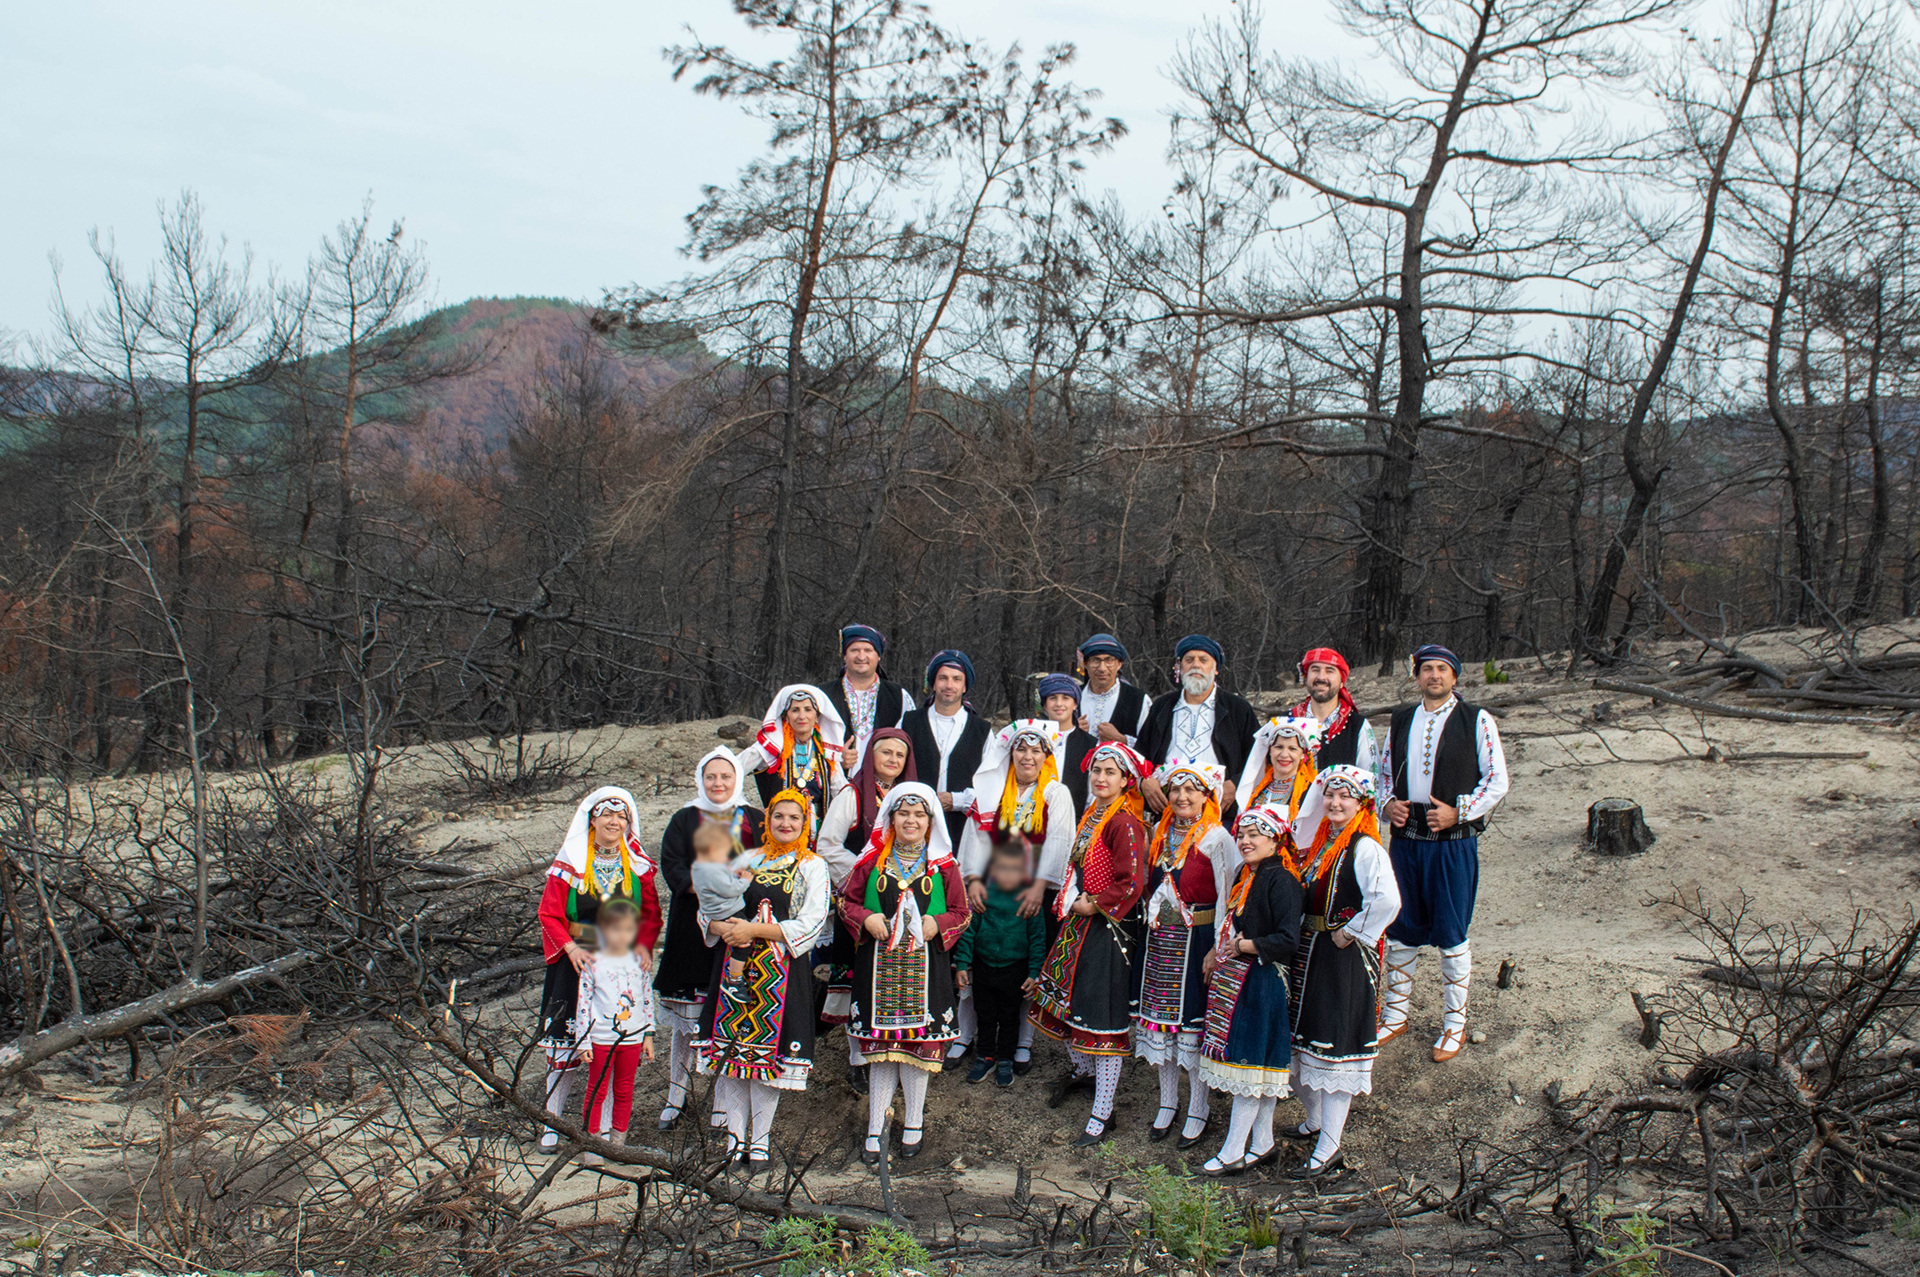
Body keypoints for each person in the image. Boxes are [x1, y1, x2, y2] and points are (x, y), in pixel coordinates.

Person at [1377, 645, 1510, 1063]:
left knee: (1452, 932)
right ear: (1417, 676)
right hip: (1407, 839)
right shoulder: (1400, 720)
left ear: (1455, 677)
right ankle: (1395, 1015)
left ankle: (1455, 1023)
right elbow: (1382, 773)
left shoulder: (1477, 720)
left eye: (1442, 670)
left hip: (1453, 843)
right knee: (1400, 929)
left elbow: (1497, 780)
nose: (1434, 676)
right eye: (1427, 669)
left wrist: (1460, 812)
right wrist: (1387, 805)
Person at [693, 788, 832, 1169]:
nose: (786, 824)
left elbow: (812, 922)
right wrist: (725, 927)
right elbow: (708, 907)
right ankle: (735, 1141)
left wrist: (754, 931)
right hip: (733, 967)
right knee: (734, 1054)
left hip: (780, 973)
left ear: (806, 824)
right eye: (779, 816)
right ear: (767, 820)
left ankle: (760, 1142)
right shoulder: (747, 859)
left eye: (795, 818)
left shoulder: (812, 866)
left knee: (768, 1065)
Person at [840, 783, 971, 1164]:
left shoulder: (945, 867)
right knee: (882, 1051)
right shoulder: (869, 863)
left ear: (931, 822)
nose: (911, 821)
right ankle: (876, 1125)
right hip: (877, 970)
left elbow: (962, 914)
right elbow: (846, 902)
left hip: (925, 973)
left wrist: (935, 923)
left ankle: (913, 1121)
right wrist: (867, 918)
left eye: (919, 814)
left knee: (916, 1051)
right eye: (904, 814)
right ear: (891, 819)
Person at [1030, 742, 1150, 1147]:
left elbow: (1132, 881)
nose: (1101, 778)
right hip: (1079, 924)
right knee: (1065, 1004)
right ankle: (1084, 1076)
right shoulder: (1093, 815)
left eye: (1110, 772)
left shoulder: (1125, 823)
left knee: (1102, 1017)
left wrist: (1094, 904)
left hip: (1107, 928)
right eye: (1096, 770)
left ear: (1126, 780)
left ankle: (1104, 1110)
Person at [1285, 765, 1401, 1179]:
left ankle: (1330, 1147)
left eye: (1345, 797)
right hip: (1310, 954)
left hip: (1341, 958)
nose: (1335, 803)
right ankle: (1317, 1123)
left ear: (1361, 803)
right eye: (1330, 795)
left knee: (1335, 1047)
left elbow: (1387, 899)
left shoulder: (1365, 847)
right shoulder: (1321, 844)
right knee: (1307, 1042)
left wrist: (1351, 932)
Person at [537, 787, 663, 1153]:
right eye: (606, 814)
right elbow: (548, 913)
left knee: (613, 1046)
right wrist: (570, 947)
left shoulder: (637, 865)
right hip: (576, 961)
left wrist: (645, 945)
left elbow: (651, 915)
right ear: (591, 819)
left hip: (620, 967)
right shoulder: (571, 861)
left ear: (629, 823)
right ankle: (552, 1123)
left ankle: (605, 1133)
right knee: (565, 1045)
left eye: (621, 816)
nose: (613, 821)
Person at [653, 749, 764, 1133]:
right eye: (712, 777)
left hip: (740, 927)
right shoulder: (685, 818)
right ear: (701, 779)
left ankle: (721, 1101)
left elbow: (767, 865)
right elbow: (672, 864)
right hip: (693, 927)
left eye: (726, 776)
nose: (718, 784)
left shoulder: (754, 819)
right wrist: (707, 893)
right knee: (686, 1023)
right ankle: (675, 1094)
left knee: (722, 1019)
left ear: (738, 779)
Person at [958, 717, 1075, 1072]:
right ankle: (969, 1035)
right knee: (978, 962)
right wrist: (974, 878)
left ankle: (1020, 1041)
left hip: (1031, 892)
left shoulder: (1056, 793)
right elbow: (975, 836)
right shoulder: (994, 792)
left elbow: (1059, 840)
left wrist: (1040, 887)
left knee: (1023, 967)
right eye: (1020, 748)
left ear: (1046, 756)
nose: (1027, 756)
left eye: (1035, 750)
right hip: (991, 889)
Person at [1194, 805, 1304, 1177]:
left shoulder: (1282, 881)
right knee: (1261, 1067)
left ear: (1276, 839)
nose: (1245, 840)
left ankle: (1232, 1151)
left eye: (1256, 834)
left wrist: (1244, 947)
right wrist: (1222, 949)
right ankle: (1262, 1144)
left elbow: (1289, 939)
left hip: (1263, 980)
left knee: (1251, 1068)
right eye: (1242, 834)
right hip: (1243, 979)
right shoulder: (1248, 874)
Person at [1135, 761, 1240, 1149]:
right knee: (1162, 1026)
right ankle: (1167, 1103)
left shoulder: (1217, 838)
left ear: (1206, 796)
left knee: (1192, 1029)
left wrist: (1217, 947)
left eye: (1191, 791)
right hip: (1161, 943)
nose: (1181, 797)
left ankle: (1198, 1106)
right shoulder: (1161, 835)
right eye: (1176, 790)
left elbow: (1229, 898)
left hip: (1196, 942)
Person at [815, 726, 918, 1091]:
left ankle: (894, 1049)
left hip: (904, 901)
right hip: (862, 901)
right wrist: (868, 871)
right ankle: (857, 1058)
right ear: (871, 756)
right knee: (858, 978)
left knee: (894, 977)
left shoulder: (912, 797)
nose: (892, 759)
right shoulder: (853, 793)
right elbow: (827, 844)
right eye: (885, 752)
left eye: (899, 755)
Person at [955, 838, 1049, 1087]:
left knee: (1009, 1016)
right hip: (985, 966)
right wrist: (962, 964)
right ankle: (985, 1056)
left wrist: (1034, 973)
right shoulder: (983, 896)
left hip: (1014, 969)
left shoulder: (1030, 901)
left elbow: (1038, 940)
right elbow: (968, 932)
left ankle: (1006, 1057)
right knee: (985, 1013)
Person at [572, 897, 658, 1165]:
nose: (623, 935)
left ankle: (618, 1145)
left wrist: (648, 1035)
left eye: (629, 929)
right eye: (616, 929)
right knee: (596, 1091)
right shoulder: (592, 963)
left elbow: (646, 1000)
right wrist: (583, 1042)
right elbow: (583, 1004)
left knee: (624, 1090)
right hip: (600, 1040)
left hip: (632, 1039)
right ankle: (592, 1145)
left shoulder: (639, 962)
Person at [1138, 635, 1262, 817]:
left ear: (1216, 669)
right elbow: (1141, 755)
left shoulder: (1237, 708)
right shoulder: (1162, 707)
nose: (1195, 665)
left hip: (1219, 810)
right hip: (1167, 810)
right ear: (1179, 667)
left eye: (1203, 660)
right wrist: (1145, 781)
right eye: (1189, 660)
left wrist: (1235, 784)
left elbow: (1256, 756)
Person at [901, 650, 989, 850]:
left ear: (965, 685)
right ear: (933, 683)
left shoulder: (982, 731)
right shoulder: (909, 722)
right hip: (911, 829)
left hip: (962, 832)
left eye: (956, 679)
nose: (949, 685)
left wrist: (956, 800)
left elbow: (992, 788)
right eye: (943, 678)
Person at [739, 685, 847, 837]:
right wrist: (747, 809)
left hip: (818, 837)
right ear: (786, 716)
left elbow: (842, 793)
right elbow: (731, 768)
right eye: (795, 710)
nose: (801, 716)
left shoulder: (826, 753)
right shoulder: (772, 747)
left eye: (808, 710)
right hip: (779, 835)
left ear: (817, 716)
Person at [825, 624, 909, 773]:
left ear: (878, 656)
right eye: (854, 650)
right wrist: (835, 759)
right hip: (834, 785)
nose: (861, 657)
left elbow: (907, 747)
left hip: (882, 790)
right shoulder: (823, 695)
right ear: (844, 655)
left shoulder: (899, 697)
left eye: (868, 650)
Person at [689, 823, 763, 990]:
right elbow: (729, 889)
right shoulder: (710, 869)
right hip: (727, 910)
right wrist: (745, 881)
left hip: (716, 909)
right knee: (743, 942)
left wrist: (733, 874)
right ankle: (734, 980)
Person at [1292, 648, 1378, 772]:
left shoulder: (1357, 726)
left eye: (1330, 671)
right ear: (1306, 676)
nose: (1321, 677)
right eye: (1315, 670)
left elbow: (1372, 780)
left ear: (1342, 681)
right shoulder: (1288, 721)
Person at [1236, 716, 1327, 821]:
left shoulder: (1310, 794)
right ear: (1270, 750)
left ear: (1303, 754)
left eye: (1292, 749)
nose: (1284, 754)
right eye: (1279, 747)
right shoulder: (1255, 790)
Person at [1074, 633, 1150, 746]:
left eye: (1109, 660)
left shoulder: (1138, 700)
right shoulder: (1071, 697)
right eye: (1095, 660)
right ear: (1085, 664)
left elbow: (1151, 747)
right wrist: (1070, 733)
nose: (1102, 668)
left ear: (1119, 664)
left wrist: (1121, 739)